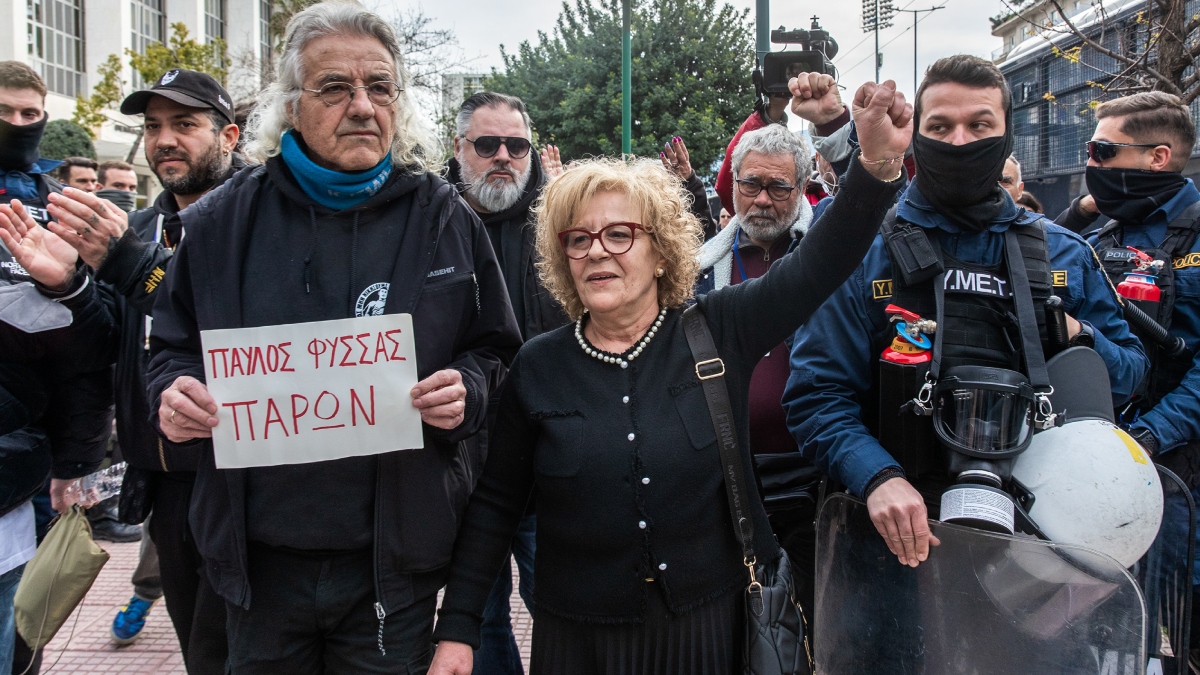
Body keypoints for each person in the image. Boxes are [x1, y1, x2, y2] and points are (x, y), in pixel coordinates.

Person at [428, 78, 911, 675]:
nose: (597, 252)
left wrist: (877, 162)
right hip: (577, 644)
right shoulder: (538, 364)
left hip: (708, 634)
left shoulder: (719, 327)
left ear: (661, 251)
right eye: (578, 240)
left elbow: (819, 265)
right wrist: (457, 631)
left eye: (620, 234)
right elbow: (496, 506)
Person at [144, 4, 522, 672]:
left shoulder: (443, 217)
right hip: (257, 571)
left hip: (391, 570)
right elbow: (170, 349)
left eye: (379, 87)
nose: (361, 106)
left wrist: (467, 387)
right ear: (293, 105)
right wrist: (173, 395)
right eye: (334, 88)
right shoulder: (222, 222)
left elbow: (495, 347)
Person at [782, 55, 1148, 570]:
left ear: (1006, 135)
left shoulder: (1065, 253)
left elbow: (1130, 378)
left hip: (1037, 549)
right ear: (917, 134)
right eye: (940, 126)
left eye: (979, 124)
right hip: (889, 537)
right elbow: (815, 395)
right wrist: (877, 477)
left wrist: (1075, 335)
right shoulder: (862, 250)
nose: (959, 142)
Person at [46, 68, 243, 666]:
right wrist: (70, 289)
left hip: (250, 481)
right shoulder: (133, 229)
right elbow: (104, 351)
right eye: (154, 126)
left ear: (229, 136)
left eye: (185, 124)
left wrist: (139, 268)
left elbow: (240, 326)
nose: (165, 140)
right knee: (201, 652)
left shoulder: (259, 222)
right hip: (164, 481)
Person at [1065, 92, 1200, 652]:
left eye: (1102, 150)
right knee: (1107, 641)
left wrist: (1149, 434)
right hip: (1099, 473)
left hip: (1184, 474)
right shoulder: (1097, 238)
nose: (1090, 163)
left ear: (1158, 157)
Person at [0, 62, 117, 675]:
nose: (18, 125)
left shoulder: (55, 210)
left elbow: (88, 356)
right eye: (4, 113)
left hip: (17, 489)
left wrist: (69, 283)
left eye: (29, 114)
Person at [444, 90, 566, 675]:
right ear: (459, 146)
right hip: (462, 467)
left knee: (564, 607)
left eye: (516, 146)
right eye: (487, 144)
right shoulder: (428, 222)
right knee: (479, 618)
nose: (503, 157)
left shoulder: (561, 222)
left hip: (549, 464)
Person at [693, 121, 822, 617]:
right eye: (750, 184)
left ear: (803, 187)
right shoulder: (699, 268)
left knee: (811, 618)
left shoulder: (824, 258)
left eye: (777, 187)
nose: (761, 200)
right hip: (726, 478)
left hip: (813, 477)